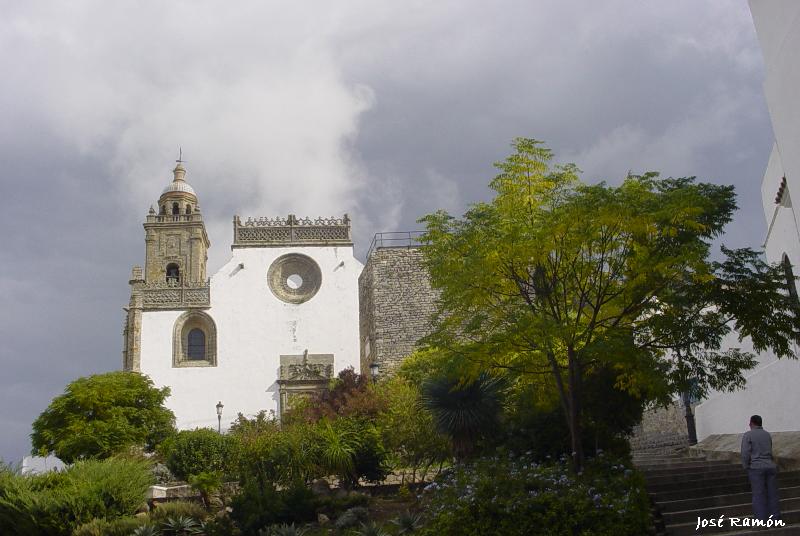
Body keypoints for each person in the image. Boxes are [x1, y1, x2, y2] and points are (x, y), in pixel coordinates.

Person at [741, 414, 781, 521]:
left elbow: (745, 453)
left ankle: (761, 521)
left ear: (752, 423)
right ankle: (775, 519)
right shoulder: (767, 435)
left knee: (759, 495)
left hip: (756, 467)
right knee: (772, 494)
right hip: (770, 466)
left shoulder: (748, 435)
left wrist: (746, 466)